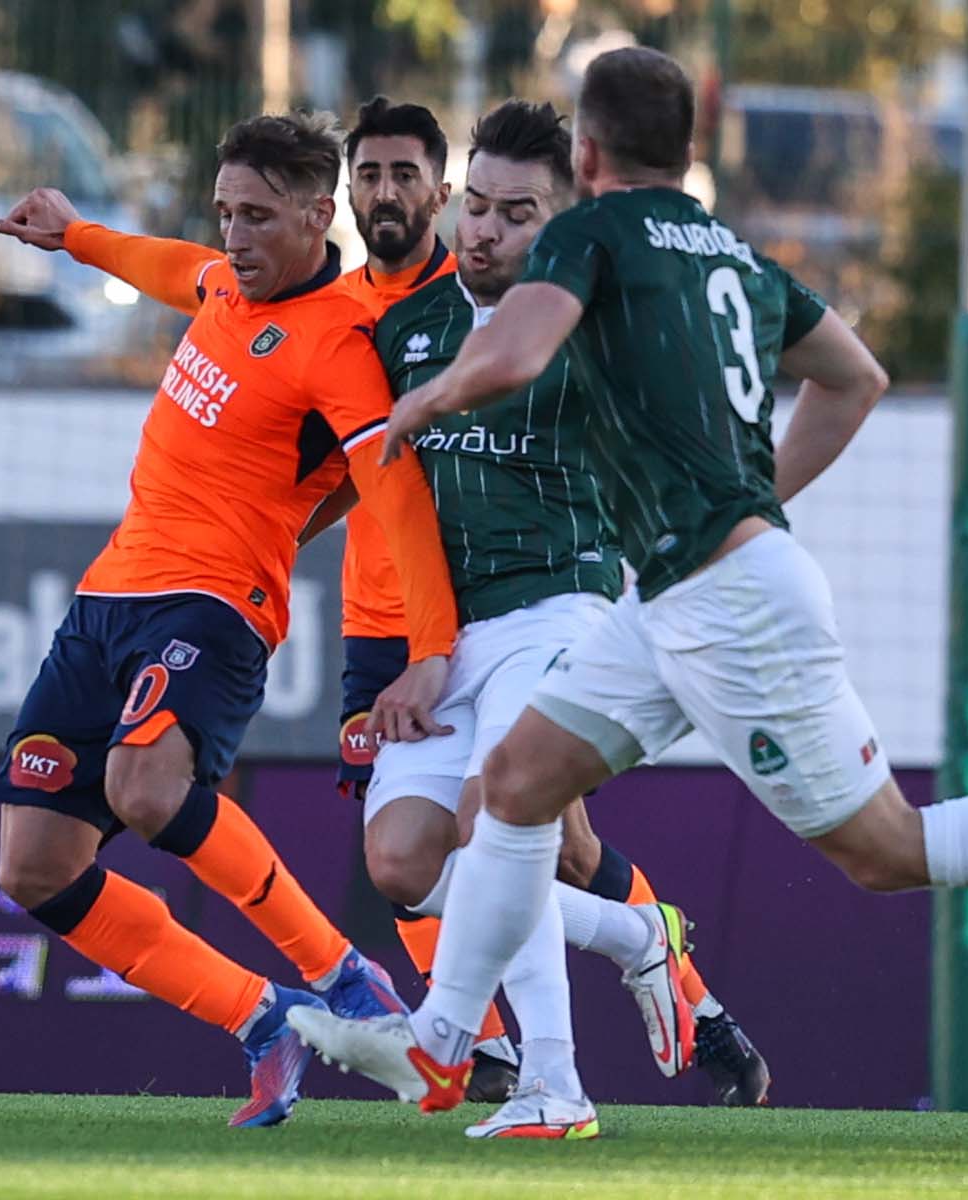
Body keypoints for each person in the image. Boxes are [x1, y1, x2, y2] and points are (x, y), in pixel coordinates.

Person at [287, 46, 968, 1112]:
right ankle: (457, 1048)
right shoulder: (731, 252)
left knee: (884, 848)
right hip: (666, 594)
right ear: (690, 147)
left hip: (725, 603)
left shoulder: (591, 230)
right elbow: (858, 377)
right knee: (518, 787)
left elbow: (517, 353)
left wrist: (429, 404)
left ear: (589, 151)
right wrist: (755, 499)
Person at [0, 110, 459, 1129]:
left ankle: (340, 974)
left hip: (216, 602)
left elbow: (396, 492)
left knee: (147, 787)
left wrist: (433, 646)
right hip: (107, 599)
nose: (233, 237)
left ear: (314, 214)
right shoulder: (222, 285)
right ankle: (259, 1019)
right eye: (225, 213)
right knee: (32, 866)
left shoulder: (339, 344)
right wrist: (76, 235)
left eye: (254, 217)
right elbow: (174, 268)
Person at [326, 96, 772, 1120]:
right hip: (448, 640)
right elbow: (361, 485)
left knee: (501, 824)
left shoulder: (598, 332)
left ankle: (552, 1083)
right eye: (476, 205)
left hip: (560, 615)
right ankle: (630, 938)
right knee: (402, 861)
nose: (483, 228)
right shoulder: (406, 332)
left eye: (516, 214)